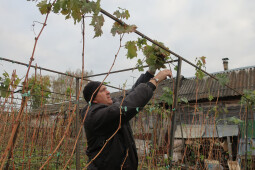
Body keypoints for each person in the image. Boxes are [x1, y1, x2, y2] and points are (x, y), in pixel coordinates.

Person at [81, 69, 172, 170]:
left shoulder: (109, 107)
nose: (108, 92)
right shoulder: (94, 116)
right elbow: (127, 105)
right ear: (94, 100)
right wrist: (155, 80)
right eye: (102, 91)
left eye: (106, 89)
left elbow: (131, 94)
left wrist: (150, 73)